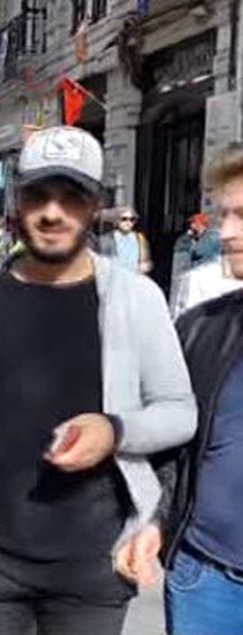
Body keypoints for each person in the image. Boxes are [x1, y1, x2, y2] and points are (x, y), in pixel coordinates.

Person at [0, 126, 196, 635]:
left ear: (94, 205)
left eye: (71, 197)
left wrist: (113, 430)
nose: (52, 212)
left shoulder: (136, 296)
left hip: (94, 568)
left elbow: (179, 411)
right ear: (18, 200)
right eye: (38, 194)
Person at [134, 146, 243, 635]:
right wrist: (156, 522)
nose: (228, 232)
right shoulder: (201, 329)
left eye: (242, 216)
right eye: (224, 215)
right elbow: (176, 449)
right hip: (208, 580)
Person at [99, 207, 153, 274]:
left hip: (134, 278)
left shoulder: (140, 238)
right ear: (116, 220)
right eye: (124, 219)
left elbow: (147, 261)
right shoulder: (106, 239)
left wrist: (145, 266)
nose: (128, 222)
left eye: (132, 219)